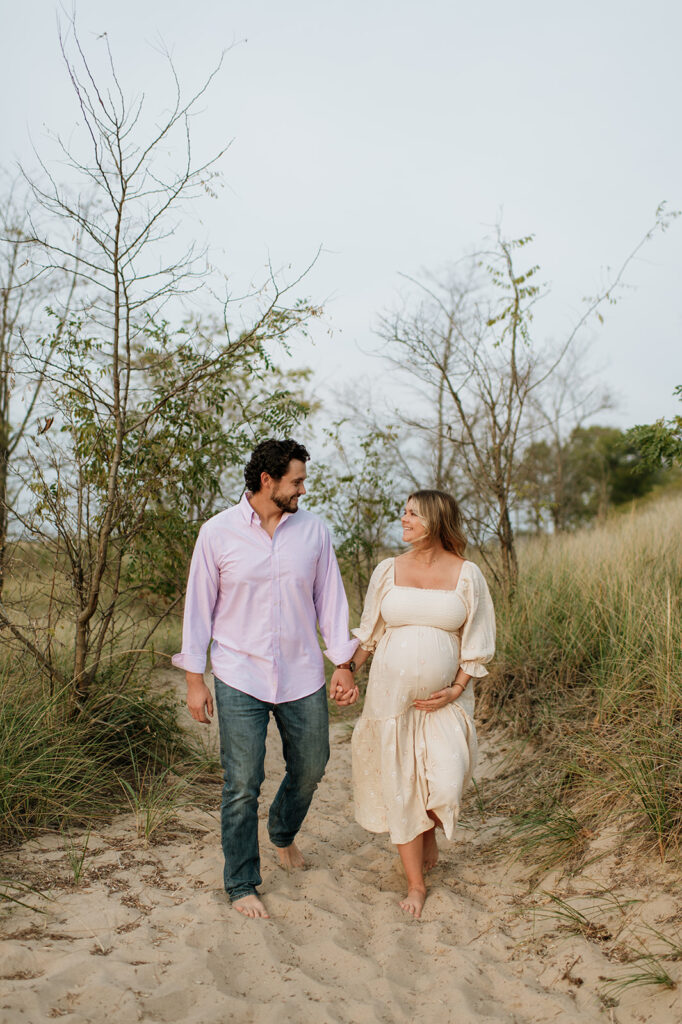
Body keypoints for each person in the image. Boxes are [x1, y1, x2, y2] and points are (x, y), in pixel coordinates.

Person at [172, 438, 358, 919]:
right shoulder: (217, 533)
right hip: (239, 673)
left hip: (301, 673)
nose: (302, 490)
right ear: (267, 481)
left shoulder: (313, 531)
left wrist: (343, 662)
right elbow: (199, 609)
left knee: (313, 764)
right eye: (296, 481)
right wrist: (196, 679)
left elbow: (330, 600)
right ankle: (241, 883)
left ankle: (281, 830)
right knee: (242, 781)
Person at [347, 489, 495, 919]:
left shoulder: (467, 574)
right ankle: (415, 884)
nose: (404, 519)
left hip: (445, 702)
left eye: (413, 513)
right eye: (404, 512)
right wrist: (347, 669)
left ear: (435, 520)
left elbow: (478, 640)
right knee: (401, 785)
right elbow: (369, 634)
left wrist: (458, 686)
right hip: (390, 704)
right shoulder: (388, 570)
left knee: (446, 782)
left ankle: (427, 830)